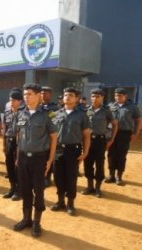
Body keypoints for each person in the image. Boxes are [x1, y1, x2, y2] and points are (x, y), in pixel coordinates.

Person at [13, 83, 57, 238]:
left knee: (38, 191)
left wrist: (50, 160)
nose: (26, 97)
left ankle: (37, 222)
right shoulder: (20, 113)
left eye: (30, 94)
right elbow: (19, 136)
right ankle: (26, 219)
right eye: (25, 94)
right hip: (24, 157)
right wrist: (18, 157)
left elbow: (53, 137)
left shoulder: (47, 114)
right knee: (25, 189)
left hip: (39, 158)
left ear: (39, 96)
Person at [51, 87, 91, 216]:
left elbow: (86, 136)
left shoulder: (82, 115)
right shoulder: (55, 114)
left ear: (77, 98)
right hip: (58, 149)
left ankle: (70, 203)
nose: (67, 97)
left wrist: (85, 152)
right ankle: (60, 201)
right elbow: (50, 134)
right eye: (65, 95)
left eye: (71, 95)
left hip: (73, 150)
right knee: (58, 177)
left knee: (71, 177)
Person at [82, 89, 118, 197]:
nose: (94, 98)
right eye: (93, 96)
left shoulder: (107, 111)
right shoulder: (86, 110)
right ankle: (90, 186)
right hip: (87, 140)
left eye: (97, 96)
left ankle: (98, 188)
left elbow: (115, 124)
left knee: (99, 163)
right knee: (87, 162)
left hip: (100, 141)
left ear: (102, 97)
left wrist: (111, 139)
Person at [106, 88, 142, 185]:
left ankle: (119, 176)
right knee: (111, 154)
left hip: (124, 134)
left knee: (121, 155)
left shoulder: (133, 107)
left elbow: (138, 121)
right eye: (116, 95)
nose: (118, 97)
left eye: (120, 95)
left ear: (125, 96)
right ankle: (111, 175)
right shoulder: (110, 106)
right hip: (112, 133)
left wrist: (135, 134)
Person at [2, 90, 23, 200]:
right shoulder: (7, 112)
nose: (12, 102)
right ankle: (12, 187)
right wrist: (4, 145)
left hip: (19, 143)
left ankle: (19, 190)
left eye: (14, 100)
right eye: (10, 100)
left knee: (17, 166)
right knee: (9, 165)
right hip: (9, 140)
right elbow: (5, 128)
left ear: (20, 101)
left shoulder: (24, 113)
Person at [41, 86, 59, 187]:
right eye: (42, 93)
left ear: (50, 95)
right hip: (40, 136)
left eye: (46, 93)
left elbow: (54, 120)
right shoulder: (37, 106)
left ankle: (48, 177)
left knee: (49, 156)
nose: (44, 95)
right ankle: (42, 176)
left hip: (50, 135)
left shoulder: (54, 107)